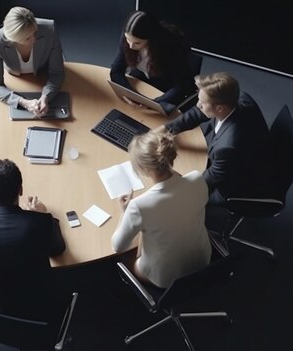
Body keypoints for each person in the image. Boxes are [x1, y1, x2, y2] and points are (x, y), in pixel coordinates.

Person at [0, 159, 65, 320]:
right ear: (21, 190)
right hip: (39, 313)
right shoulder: (41, 223)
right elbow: (58, 249)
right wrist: (44, 215)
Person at [111, 131, 211, 288]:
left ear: (144, 169)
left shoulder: (139, 206)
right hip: (203, 260)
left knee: (126, 256)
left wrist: (124, 212)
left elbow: (118, 246)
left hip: (166, 277)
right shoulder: (197, 178)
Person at [156, 72, 270, 206]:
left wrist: (173, 184)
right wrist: (167, 129)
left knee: (175, 201)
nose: (198, 105)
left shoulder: (227, 146)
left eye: (202, 103)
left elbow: (207, 182)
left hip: (237, 185)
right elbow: (198, 113)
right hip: (240, 158)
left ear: (219, 108)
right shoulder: (236, 98)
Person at [110, 10, 196, 114]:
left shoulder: (171, 47)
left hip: (165, 85)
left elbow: (182, 85)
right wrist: (132, 96)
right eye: (128, 40)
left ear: (151, 38)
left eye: (137, 43)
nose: (130, 46)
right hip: (143, 77)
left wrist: (152, 104)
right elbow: (116, 70)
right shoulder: (129, 37)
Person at [0, 6, 65, 117]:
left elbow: (57, 73)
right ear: (12, 39)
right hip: (16, 80)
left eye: (34, 32)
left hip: (42, 76)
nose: (34, 39)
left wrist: (46, 96)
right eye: (27, 38)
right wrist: (23, 102)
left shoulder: (49, 29)